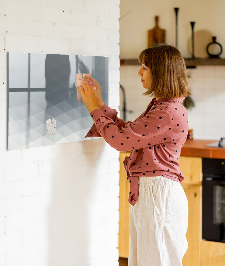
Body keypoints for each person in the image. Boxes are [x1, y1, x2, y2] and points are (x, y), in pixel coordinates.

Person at [78, 44, 190, 266]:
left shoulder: (167, 111)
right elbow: (129, 133)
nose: (139, 72)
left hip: (158, 195)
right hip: (153, 193)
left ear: (161, 72)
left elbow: (121, 141)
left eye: (145, 67)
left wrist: (93, 108)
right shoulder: (163, 106)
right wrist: (99, 104)